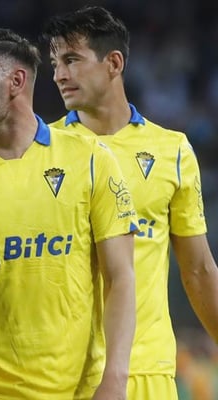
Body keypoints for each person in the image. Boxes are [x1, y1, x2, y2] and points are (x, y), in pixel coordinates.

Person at [0, 28, 137, 399]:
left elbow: (120, 278)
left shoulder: (91, 160)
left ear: (15, 81)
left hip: (78, 391)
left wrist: (114, 379)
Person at [42, 6, 218, 399]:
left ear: (114, 63)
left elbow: (199, 269)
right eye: (55, 64)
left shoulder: (172, 151)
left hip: (147, 372)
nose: (59, 75)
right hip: (62, 375)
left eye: (71, 60)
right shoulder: (39, 152)